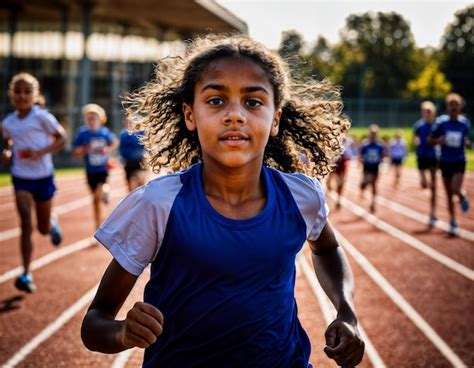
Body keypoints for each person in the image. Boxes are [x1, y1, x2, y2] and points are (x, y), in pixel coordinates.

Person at [81, 35, 364, 367]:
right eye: (216, 100)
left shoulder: (301, 196)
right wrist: (123, 333)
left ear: (275, 119)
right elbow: (94, 322)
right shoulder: (161, 203)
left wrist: (346, 311)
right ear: (190, 115)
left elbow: (328, 248)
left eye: (253, 102)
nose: (235, 115)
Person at [1, 73, 67, 293]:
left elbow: (62, 138)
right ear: (12, 94)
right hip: (21, 178)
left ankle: (52, 222)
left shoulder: (42, 117)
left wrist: (39, 152)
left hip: (43, 177)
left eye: (27, 92)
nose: (22, 96)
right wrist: (9, 153)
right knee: (26, 226)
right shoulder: (8, 123)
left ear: (35, 95)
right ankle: (26, 273)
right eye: (18, 91)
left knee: (43, 228)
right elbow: (10, 141)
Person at [430, 93, 471, 235]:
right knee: (448, 194)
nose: (453, 107)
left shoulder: (465, 123)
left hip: (459, 160)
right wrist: (438, 141)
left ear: (460, 106)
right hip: (445, 161)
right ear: (447, 107)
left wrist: (468, 143)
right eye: (451, 104)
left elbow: (470, 142)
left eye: (456, 104)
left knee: (455, 188)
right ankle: (453, 220)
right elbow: (430, 140)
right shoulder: (441, 123)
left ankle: (462, 195)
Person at [72, 104, 117, 230]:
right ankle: (97, 224)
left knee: (99, 193)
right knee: (95, 200)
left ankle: (106, 191)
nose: (91, 120)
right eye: (89, 118)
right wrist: (85, 149)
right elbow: (75, 151)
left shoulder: (104, 132)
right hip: (90, 170)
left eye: (94, 118)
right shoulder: (83, 133)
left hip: (102, 169)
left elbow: (114, 142)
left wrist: (107, 149)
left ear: (100, 119)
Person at [413, 101, 438, 226]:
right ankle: (425, 181)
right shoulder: (419, 125)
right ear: (422, 113)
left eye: (429, 112)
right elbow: (414, 138)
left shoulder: (436, 125)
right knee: (424, 184)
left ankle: (433, 213)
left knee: (434, 186)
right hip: (421, 156)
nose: (427, 114)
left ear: (433, 113)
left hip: (433, 156)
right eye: (425, 112)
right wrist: (416, 140)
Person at [359, 124, 385, 213]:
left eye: (375, 133)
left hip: (375, 167)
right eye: (372, 133)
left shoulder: (380, 145)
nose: (373, 135)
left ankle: (373, 203)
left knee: (374, 184)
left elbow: (382, 155)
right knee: (366, 182)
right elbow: (361, 155)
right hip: (367, 166)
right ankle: (363, 186)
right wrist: (361, 161)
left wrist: (382, 162)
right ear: (369, 133)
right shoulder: (365, 144)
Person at [119, 117, 146, 192]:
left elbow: (146, 146)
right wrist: (122, 158)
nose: (129, 124)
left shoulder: (141, 132)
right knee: (130, 188)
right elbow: (121, 148)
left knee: (141, 182)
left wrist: (147, 156)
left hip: (139, 161)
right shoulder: (123, 134)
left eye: (131, 122)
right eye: (127, 122)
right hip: (129, 162)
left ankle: (141, 198)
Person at [326, 135, 351, 209]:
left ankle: (338, 200)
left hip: (342, 169)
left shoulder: (346, 149)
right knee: (329, 186)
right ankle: (329, 197)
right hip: (334, 168)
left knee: (340, 185)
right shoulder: (332, 148)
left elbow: (348, 158)